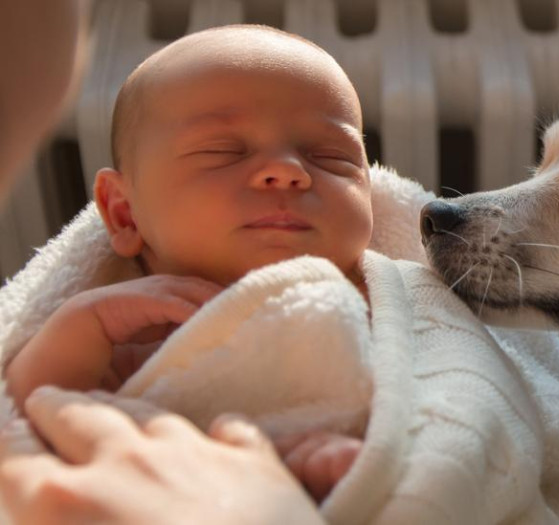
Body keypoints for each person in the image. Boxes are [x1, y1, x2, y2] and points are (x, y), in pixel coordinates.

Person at [0, 4, 330, 522]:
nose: (288, 172)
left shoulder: (378, 303)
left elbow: (429, 404)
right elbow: (31, 413)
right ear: (125, 213)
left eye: (331, 157)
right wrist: (84, 323)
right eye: (223, 151)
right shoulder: (138, 337)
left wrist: (329, 455)